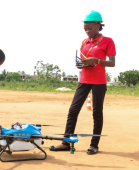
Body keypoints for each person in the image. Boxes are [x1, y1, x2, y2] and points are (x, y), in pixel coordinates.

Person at [49, 10, 116, 154]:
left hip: (99, 81)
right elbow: (84, 60)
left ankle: (94, 145)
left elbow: (112, 63)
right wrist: (81, 64)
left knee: (97, 113)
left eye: (90, 28)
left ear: (98, 25)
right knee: (73, 110)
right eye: (85, 29)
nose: (87, 31)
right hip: (84, 79)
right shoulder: (84, 42)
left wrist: (96, 61)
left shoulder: (108, 41)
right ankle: (66, 142)